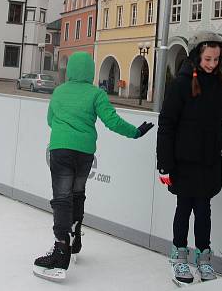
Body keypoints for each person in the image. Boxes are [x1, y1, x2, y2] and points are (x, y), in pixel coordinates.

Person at [33, 51, 154, 281]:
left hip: (61, 149)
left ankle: (61, 248)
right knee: (77, 194)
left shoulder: (59, 92)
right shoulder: (96, 94)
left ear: (70, 71)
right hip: (85, 153)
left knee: (62, 198)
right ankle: (75, 236)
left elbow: (50, 120)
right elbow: (112, 121)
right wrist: (136, 132)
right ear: (90, 72)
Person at [156, 31, 222, 285]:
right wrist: (164, 164)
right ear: (197, 56)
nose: (212, 64)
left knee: (204, 211)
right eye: (208, 59)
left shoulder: (220, 82)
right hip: (184, 161)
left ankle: (204, 259)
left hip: (209, 160)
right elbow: (166, 124)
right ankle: (178, 256)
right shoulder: (181, 84)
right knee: (183, 209)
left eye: (216, 59)